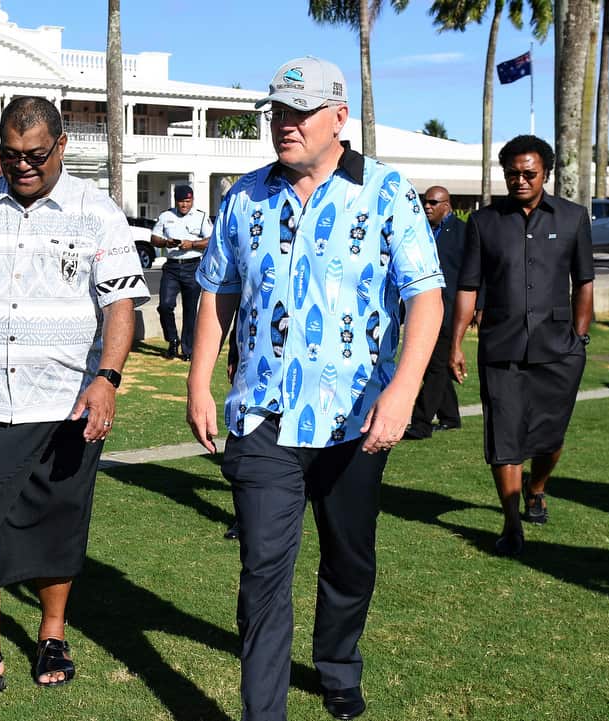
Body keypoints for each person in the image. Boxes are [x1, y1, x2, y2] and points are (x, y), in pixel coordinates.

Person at [186, 56, 444, 721]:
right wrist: (198, 380)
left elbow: (426, 297)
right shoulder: (244, 196)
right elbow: (218, 289)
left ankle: (337, 662)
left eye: (299, 112)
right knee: (264, 574)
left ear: (339, 117)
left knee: (349, 560)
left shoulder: (387, 191)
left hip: (356, 419)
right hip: (264, 420)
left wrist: (405, 388)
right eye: (278, 112)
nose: (285, 125)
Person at [0, 96, 148, 700]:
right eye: (12, 155)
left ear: (62, 146)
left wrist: (108, 378)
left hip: (66, 400)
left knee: (53, 524)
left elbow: (119, 303)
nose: (22, 167)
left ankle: (52, 632)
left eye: (36, 156)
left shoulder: (96, 212)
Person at [449, 134, 594, 557]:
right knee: (504, 437)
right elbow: (468, 287)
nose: (520, 180)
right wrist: (455, 343)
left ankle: (536, 487)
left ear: (545, 173)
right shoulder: (484, 222)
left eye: (529, 173)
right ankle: (512, 525)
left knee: (549, 438)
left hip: (559, 349)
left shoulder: (572, 218)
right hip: (502, 348)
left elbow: (584, 281)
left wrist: (579, 339)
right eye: (512, 174)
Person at [405, 186, 466, 439]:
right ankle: (450, 417)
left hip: (450, 310)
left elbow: (474, 274)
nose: (427, 206)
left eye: (433, 202)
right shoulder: (423, 232)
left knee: (435, 368)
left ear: (447, 205)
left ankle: (421, 424)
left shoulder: (462, 234)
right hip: (427, 309)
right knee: (435, 365)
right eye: (424, 202)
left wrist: (476, 308)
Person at [153, 184, 212, 360]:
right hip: (171, 267)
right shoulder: (166, 216)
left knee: (190, 310)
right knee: (165, 305)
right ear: (175, 201)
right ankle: (172, 341)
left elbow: (211, 240)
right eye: (181, 201)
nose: (184, 205)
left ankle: (188, 350)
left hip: (192, 266)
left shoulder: (201, 217)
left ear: (192, 200)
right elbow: (154, 238)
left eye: (187, 201)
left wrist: (192, 244)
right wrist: (166, 243)